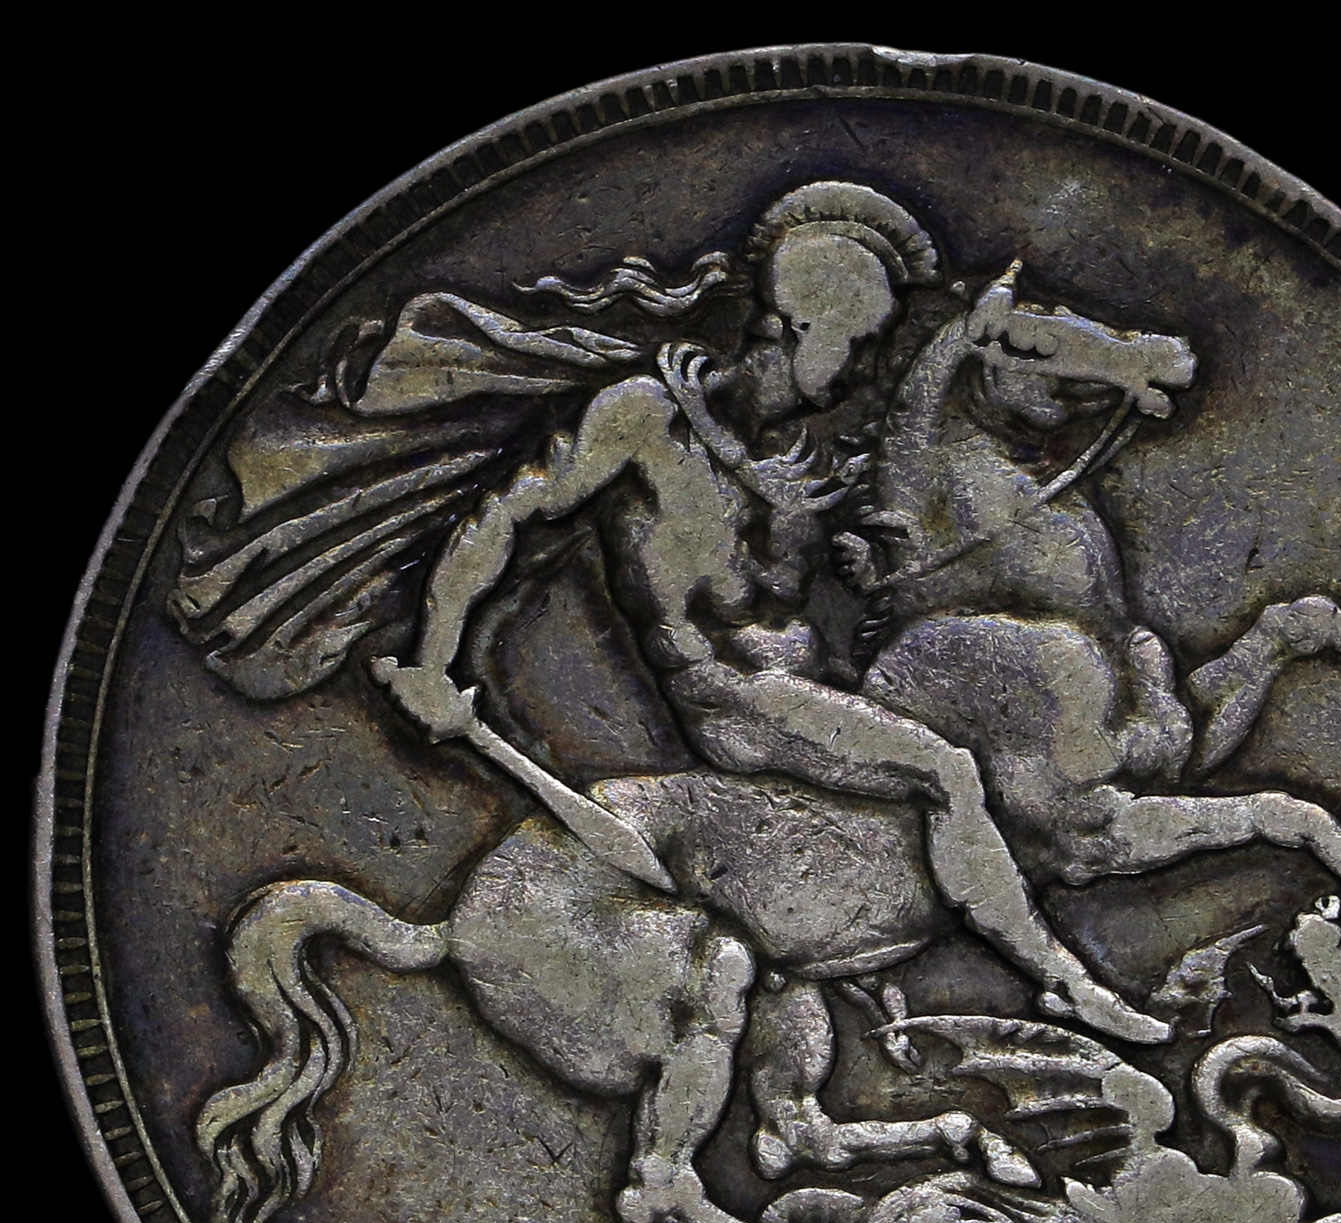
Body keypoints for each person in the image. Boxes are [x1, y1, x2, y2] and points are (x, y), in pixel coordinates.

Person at [375, 182, 1169, 1047]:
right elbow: (505, 518)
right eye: (860, 344)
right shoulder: (646, 418)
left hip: (808, 681)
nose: (869, 369)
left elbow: (805, 586)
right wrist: (432, 660)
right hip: (731, 697)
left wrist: (850, 557)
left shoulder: (800, 453)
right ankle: (1061, 981)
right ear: (802, 325)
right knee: (944, 769)